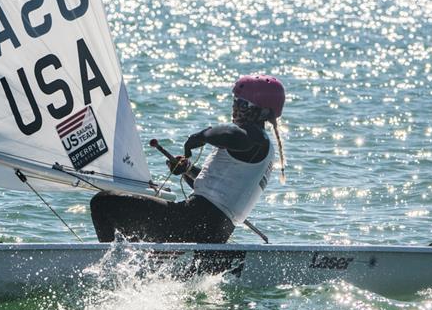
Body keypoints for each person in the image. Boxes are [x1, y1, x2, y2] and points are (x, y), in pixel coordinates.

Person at [90, 75, 286, 244]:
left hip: (195, 220)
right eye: (235, 101)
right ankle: (136, 263)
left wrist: (200, 136)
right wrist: (187, 170)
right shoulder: (257, 148)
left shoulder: (255, 138)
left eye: (242, 104)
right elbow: (216, 190)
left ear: (263, 112)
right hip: (214, 228)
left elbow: (229, 135)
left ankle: (113, 267)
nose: (235, 107)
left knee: (103, 203)